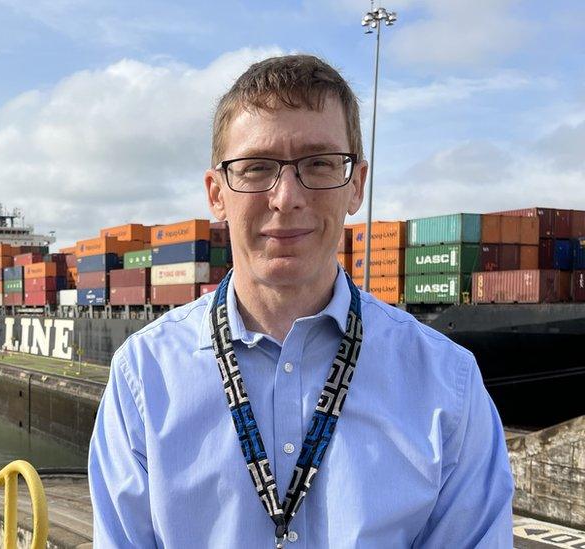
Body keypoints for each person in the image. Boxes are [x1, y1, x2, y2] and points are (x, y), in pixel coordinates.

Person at [88, 54, 513, 548]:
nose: (286, 196)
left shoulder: (449, 387)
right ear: (216, 193)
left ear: (356, 184)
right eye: (256, 167)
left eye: (319, 163)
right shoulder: (143, 378)